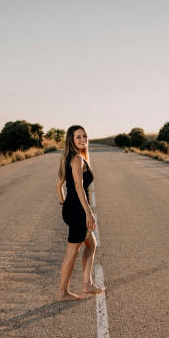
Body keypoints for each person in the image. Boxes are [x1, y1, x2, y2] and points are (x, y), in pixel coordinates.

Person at [55, 125, 106, 301]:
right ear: (71, 140)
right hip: (78, 210)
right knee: (72, 252)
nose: (83, 140)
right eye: (78, 137)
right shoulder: (77, 159)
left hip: (71, 208)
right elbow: (78, 186)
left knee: (91, 244)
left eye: (85, 136)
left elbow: (58, 186)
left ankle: (88, 283)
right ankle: (62, 292)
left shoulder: (68, 157)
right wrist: (88, 212)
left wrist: (64, 204)